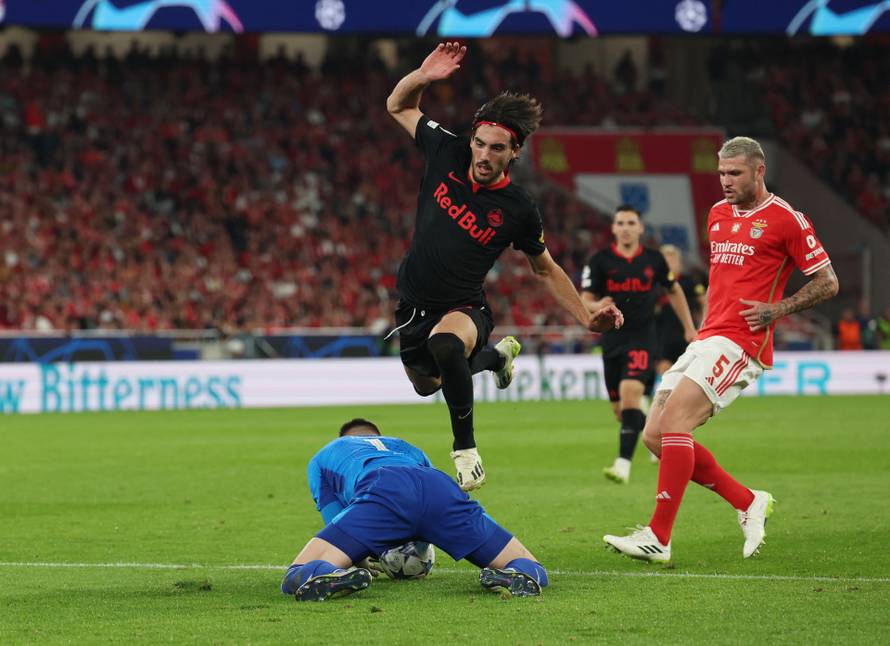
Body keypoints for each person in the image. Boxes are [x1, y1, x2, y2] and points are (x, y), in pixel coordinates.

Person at [385, 42, 623, 491]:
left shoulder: (518, 208)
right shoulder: (446, 151)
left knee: (447, 347)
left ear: (514, 153)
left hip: (464, 307)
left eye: (496, 148)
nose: (483, 155)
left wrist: (585, 316)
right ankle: (496, 357)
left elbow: (545, 268)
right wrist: (423, 75)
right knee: (427, 383)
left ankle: (466, 451)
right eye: (479, 143)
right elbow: (397, 104)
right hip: (412, 304)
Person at [603, 136, 838, 561]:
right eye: (722, 174)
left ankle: (658, 535)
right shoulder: (716, 214)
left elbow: (828, 281)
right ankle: (748, 502)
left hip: (742, 341)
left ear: (759, 171)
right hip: (710, 337)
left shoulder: (787, 219)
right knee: (655, 436)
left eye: (735, 174)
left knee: (675, 424)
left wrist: (777, 309)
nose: (726, 182)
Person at [280, 418, 549, 601]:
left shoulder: (327, 453)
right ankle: (517, 574)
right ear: (378, 435)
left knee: (295, 574)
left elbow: (335, 516)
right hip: (439, 487)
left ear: (345, 438)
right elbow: (429, 501)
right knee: (530, 564)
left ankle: (330, 574)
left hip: (383, 489)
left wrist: (358, 556)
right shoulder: (405, 446)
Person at [580, 206, 696, 484]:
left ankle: (622, 464)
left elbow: (673, 290)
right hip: (611, 341)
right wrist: (599, 305)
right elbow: (585, 299)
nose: (626, 227)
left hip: (643, 339)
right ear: (614, 228)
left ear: (640, 228)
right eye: (620, 222)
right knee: (622, 412)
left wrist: (689, 327)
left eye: (631, 222)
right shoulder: (600, 260)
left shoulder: (654, 260)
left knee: (631, 394)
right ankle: (658, 431)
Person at [655, 244, 708, 376]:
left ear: (679, 262)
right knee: (664, 370)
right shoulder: (656, 285)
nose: (669, 264)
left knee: (690, 372)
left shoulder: (689, 281)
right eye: (666, 261)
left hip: (688, 332)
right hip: (664, 336)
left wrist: (703, 325)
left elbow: (704, 302)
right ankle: (668, 395)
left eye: (672, 260)